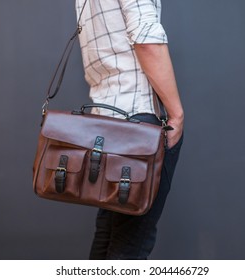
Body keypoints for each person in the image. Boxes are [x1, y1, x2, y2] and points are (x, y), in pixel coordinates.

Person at [75, 0, 184, 259]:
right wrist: (176, 114)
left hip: (105, 116)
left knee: (110, 234)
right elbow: (145, 37)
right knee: (131, 245)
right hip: (137, 123)